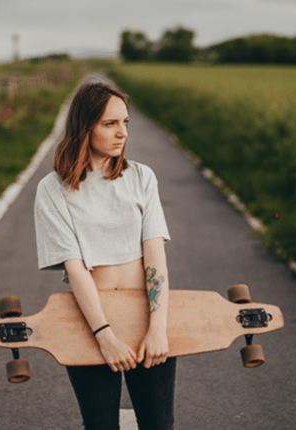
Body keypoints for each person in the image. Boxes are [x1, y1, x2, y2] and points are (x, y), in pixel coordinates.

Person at [34, 81, 176, 430]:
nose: (122, 133)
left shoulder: (141, 177)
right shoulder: (53, 190)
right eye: (110, 124)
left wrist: (158, 328)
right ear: (86, 127)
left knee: (159, 425)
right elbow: (76, 268)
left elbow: (154, 255)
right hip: (89, 322)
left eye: (125, 123)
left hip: (146, 316)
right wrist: (105, 336)